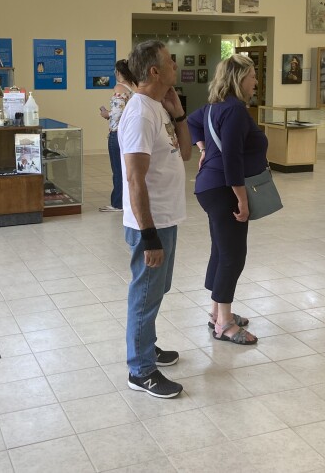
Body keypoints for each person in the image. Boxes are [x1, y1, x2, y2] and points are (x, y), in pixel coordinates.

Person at [119, 40, 192, 398]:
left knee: (157, 289)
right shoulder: (140, 113)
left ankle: (146, 345)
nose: (175, 66)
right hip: (151, 224)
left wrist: (178, 113)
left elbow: (187, 152)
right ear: (153, 71)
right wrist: (149, 236)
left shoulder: (158, 108)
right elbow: (134, 178)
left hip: (166, 217)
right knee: (145, 293)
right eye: (170, 62)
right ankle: (140, 369)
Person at [188, 54, 268, 345]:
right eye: (252, 76)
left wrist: (203, 149)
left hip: (210, 187)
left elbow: (191, 122)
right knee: (233, 255)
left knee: (222, 251)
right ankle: (224, 323)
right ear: (239, 79)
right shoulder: (234, 110)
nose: (255, 81)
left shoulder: (215, 107)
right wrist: (242, 200)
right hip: (223, 188)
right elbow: (232, 159)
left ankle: (216, 312)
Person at [98, 59, 136, 212]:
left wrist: (105, 113)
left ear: (118, 72)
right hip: (129, 133)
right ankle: (128, 200)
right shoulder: (134, 88)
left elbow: (117, 114)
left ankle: (117, 203)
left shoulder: (119, 87)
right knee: (127, 168)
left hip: (117, 133)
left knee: (118, 170)